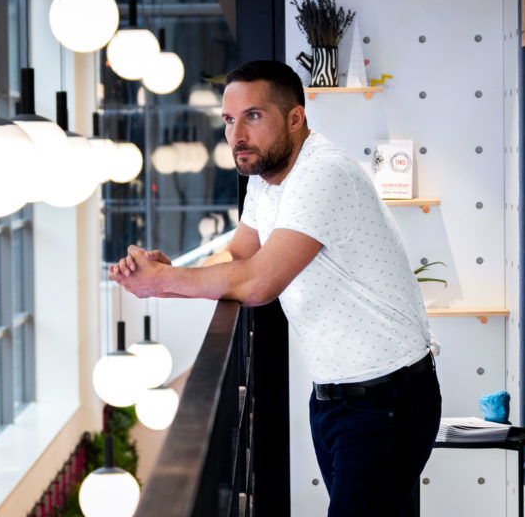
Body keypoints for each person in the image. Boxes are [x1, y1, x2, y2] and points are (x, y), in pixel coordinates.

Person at [108, 60, 441, 517]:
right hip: (335, 397)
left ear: (295, 118)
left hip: (386, 398)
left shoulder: (320, 174)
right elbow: (239, 256)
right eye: (229, 120)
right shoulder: (267, 181)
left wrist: (165, 282)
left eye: (253, 116)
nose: (236, 134)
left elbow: (260, 283)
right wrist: (167, 278)